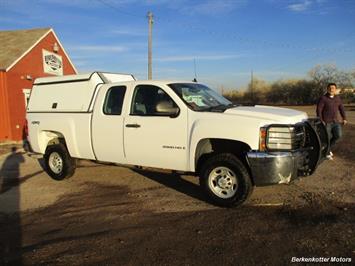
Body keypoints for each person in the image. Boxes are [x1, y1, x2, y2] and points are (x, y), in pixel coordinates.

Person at [316, 83, 347, 160]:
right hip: (327, 122)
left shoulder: (338, 98)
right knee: (327, 137)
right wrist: (321, 120)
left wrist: (344, 118)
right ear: (327, 89)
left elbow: (341, 108)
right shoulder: (323, 98)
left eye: (333, 88)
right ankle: (327, 153)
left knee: (338, 136)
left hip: (336, 121)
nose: (331, 89)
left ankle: (328, 149)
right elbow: (319, 110)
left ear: (335, 89)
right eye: (330, 88)